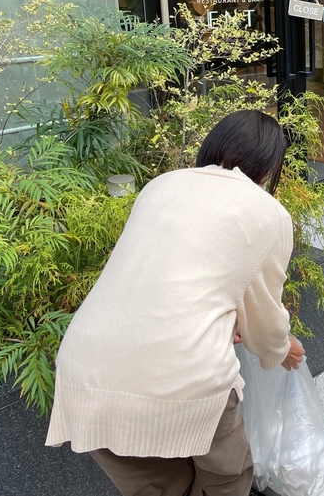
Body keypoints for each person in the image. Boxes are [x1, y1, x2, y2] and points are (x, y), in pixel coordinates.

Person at [46, 110, 306, 496]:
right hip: (186, 376)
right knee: (226, 478)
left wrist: (222, 323)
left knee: (160, 487)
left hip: (86, 375)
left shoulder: (160, 185)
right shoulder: (268, 213)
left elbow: (164, 284)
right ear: (269, 169)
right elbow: (265, 323)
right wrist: (283, 350)